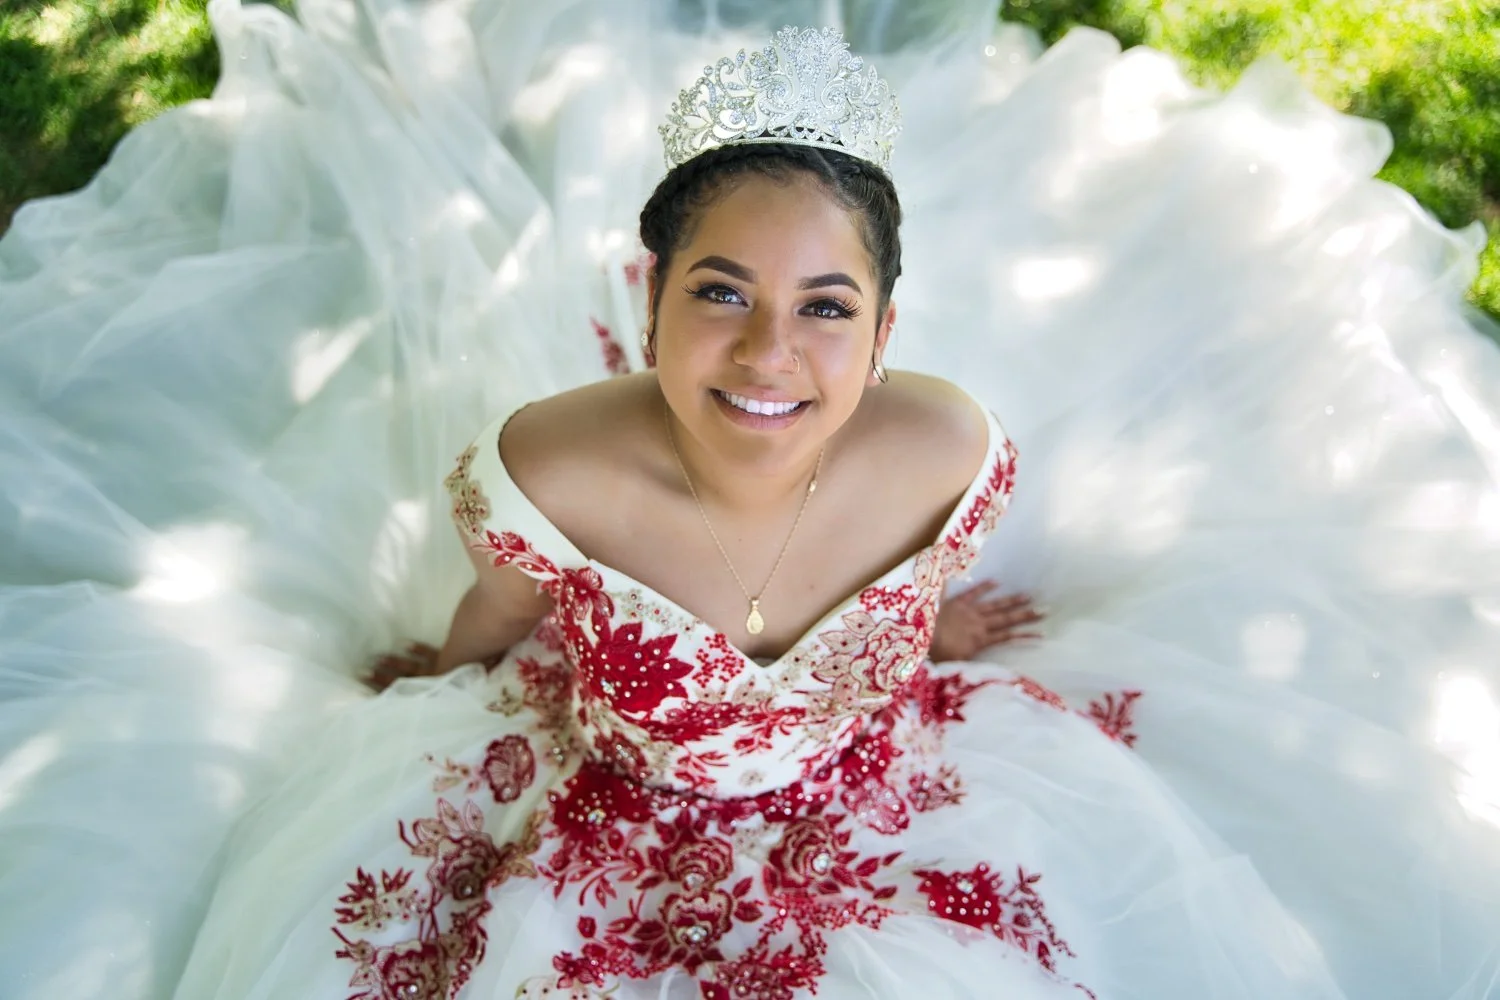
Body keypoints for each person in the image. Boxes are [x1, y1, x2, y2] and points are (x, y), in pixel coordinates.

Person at [3, 3, 1500, 999]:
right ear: (647, 303)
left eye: (825, 307)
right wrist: (451, 667)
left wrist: (925, 617)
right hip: (606, 805)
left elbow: (910, 572)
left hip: (873, 791)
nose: (771, 352)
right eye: (719, 292)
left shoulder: (945, 454)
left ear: (886, 334)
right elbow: (507, 607)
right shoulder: (552, 468)